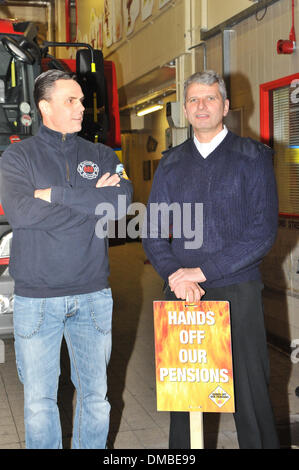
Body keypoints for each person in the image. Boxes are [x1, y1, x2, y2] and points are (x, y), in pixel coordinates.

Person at [143, 70, 280, 449]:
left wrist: (201, 271)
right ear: (184, 109)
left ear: (225, 106)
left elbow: (262, 232)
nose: (201, 106)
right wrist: (175, 274)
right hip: (182, 293)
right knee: (185, 398)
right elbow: (152, 231)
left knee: (250, 390)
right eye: (193, 100)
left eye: (209, 98)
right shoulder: (170, 164)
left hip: (238, 288)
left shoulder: (253, 157)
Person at [0, 69, 133, 449]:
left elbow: (121, 202)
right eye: (70, 101)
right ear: (44, 107)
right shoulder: (17, 157)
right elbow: (22, 214)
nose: (81, 109)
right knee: (40, 403)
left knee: (96, 399)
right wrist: (92, 202)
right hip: (36, 299)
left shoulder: (101, 154)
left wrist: (54, 194)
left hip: (93, 295)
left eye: (80, 100)